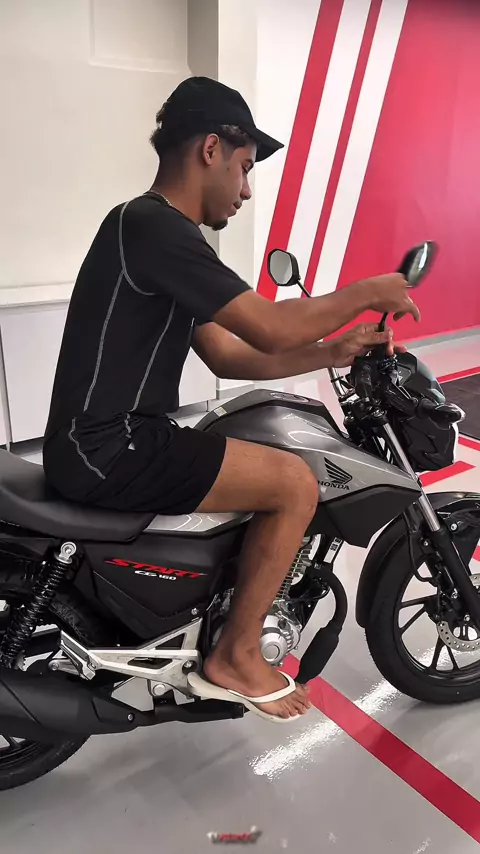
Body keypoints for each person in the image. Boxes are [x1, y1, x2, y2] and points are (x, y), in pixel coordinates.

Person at [43, 76, 420, 723]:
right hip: (110, 445)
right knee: (294, 483)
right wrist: (369, 290)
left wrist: (330, 352)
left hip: (106, 439)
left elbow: (229, 354)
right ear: (211, 149)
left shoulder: (152, 232)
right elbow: (269, 326)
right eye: (245, 169)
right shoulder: (156, 227)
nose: (246, 191)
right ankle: (237, 653)